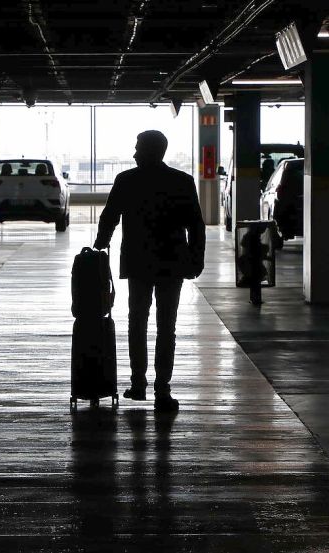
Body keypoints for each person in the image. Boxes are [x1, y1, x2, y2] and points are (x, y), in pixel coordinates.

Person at [93, 130, 206, 412]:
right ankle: (162, 390)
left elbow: (110, 217)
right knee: (167, 327)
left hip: (138, 262)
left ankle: (139, 384)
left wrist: (99, 247)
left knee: (137, 323)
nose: (134, 154)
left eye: (138, 148)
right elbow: (196, 225)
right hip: (172, 262)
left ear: (150, 151)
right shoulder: (182, 181)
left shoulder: (127, 180)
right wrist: (196, 259)